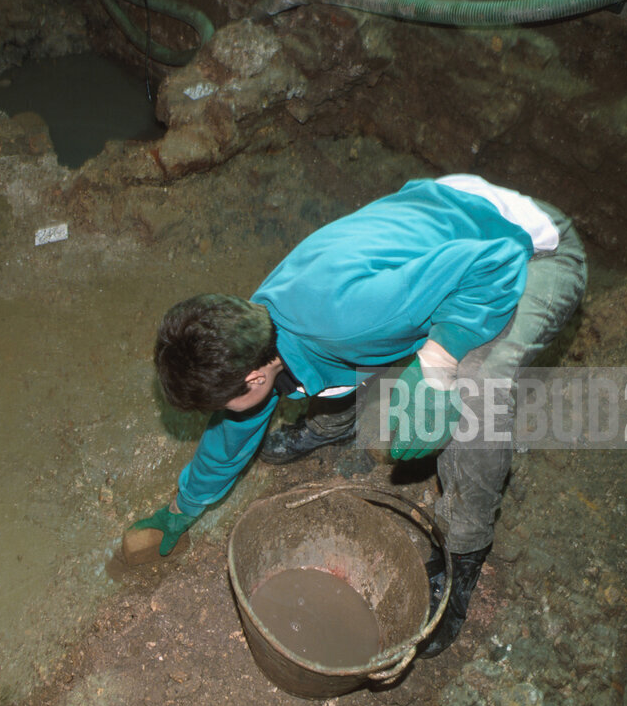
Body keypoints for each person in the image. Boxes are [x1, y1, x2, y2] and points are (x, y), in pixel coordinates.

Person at [131, 174, 587, 657]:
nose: (222, 414)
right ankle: (334, 423)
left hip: (526, 247)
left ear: (254, 378)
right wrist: (182, 510)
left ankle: (464, 554)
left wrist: (439, 359)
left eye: (222, 403)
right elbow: (234, 431)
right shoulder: (257, 324)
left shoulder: (350, 318)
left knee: (474, 388)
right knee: (337, 348)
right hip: (438, 234)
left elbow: (497, 261)